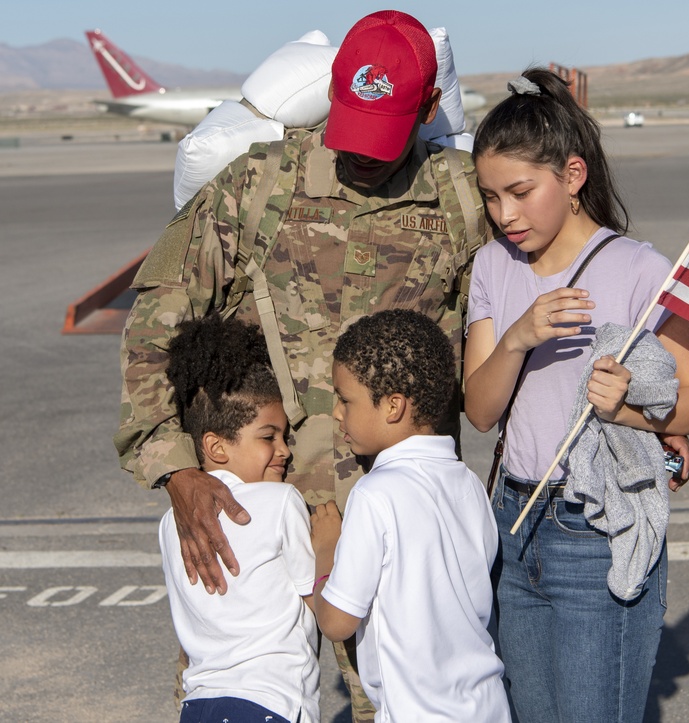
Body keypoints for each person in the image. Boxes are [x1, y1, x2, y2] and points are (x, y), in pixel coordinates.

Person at [113, 10, 491, 720]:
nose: (361, 157)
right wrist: (177, 469)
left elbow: (525, 314)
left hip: (396, 520)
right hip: (253, 511)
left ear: (429, 109)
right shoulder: (257, 185)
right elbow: (156, 324)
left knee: (399, 705)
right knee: (239, 700)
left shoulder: (460, 197)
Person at [463, 68, 689, 722]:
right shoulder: (493, 265)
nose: (505, 215)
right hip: (514, 523)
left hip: (597, 529)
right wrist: (517, 338)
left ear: (573, 176)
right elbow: (480, 407)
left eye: (521, 192)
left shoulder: (640, 269)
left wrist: (630, 406)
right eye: (491, 197)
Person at [310, 309, 511, 722]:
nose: (337, 413)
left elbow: (336, 622)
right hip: (487, 706)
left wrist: (325, 555)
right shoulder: (468, 483)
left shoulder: (374, 493)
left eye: (346, 399)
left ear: (393, 406)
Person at [158, 313, 322, 723]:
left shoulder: (170, 523)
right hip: (272, 701)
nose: (284, 450)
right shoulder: (282, 501)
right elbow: (317, 602)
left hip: (198, 702)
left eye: (284, 437)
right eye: (269, 437)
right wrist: (332, 540)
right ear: (215, 446)